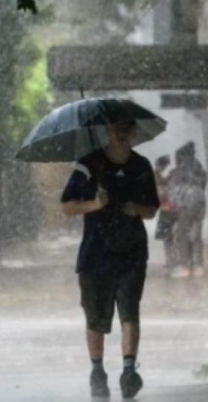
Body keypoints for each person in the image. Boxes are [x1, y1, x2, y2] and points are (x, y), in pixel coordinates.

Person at [60, 119, 160, 399]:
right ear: (107, 131)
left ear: (134, 133)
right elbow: (67, 205)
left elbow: (152, 209)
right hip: (95, 254)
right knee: (96, 318)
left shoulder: (141, 167)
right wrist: (95, 204)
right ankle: (97, 371)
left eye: (126, 129)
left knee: (130, 310)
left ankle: (129, 371)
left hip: (132, 253)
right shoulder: (88, 165)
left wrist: (135, 209)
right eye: (117, 128)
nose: (122, 133)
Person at [168, 142, 208, 278]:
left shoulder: (180, 171)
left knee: (182, 235)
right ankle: (199, 265)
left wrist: (174, 202)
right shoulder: (199, 169)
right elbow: (203, 185)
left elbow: (174, 189)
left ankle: (185, 266)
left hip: (185, 205)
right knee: (196, 235)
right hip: (199, 204)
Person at [153, 155, 178, 274]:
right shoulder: (158, 177)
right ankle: (171, 261)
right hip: (169, 209)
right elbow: (161, 192)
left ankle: (171, 261)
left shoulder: (159, 177)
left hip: (167, 209)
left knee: (168, 237)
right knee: (169, 237)